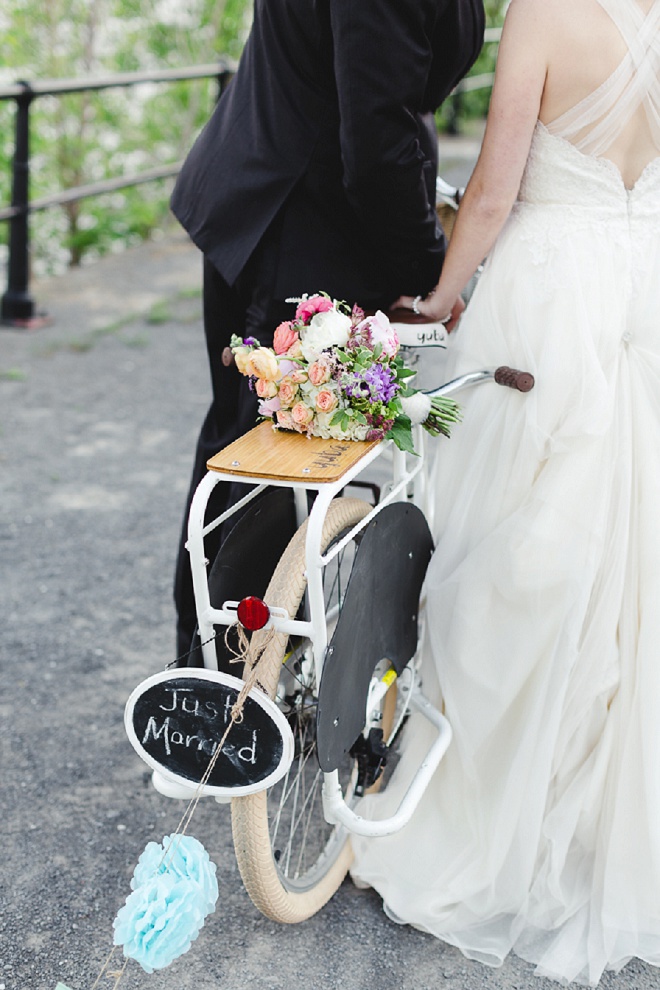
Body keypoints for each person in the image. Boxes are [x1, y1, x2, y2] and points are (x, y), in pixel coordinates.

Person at [350, 0, 660, 985]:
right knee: (625, 541)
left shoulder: (544, 13)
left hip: (550, 290)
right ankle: (602, 835)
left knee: (510, 537)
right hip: (640, 276)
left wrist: (441, 298)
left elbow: (492, 186)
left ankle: (490, 816)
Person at [169, 0, 485, 658]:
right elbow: (375, 140)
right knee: (262, 484)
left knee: (243, 460)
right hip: (299, 226)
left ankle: (223, 686)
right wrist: (430, 267)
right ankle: (224, 711)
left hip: (276, 201)